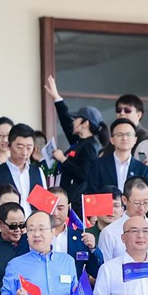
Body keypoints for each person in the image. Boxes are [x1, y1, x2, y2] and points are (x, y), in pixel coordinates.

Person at [45, 76, 105, 207]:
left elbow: (84, 173)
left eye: (76, 119)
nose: (73, 121)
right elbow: (66, 122)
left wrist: (63, 159)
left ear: (85, 123)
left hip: (76, 204)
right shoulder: (80, 141)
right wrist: (57, 98)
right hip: (67, 198)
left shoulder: (90, 146)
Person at [0, 123, 44, 222]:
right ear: (9, 145)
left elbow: (44, 208)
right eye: (20, 147)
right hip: (4, 232)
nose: (24, 152)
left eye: (29, 147)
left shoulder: (38, 172)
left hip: (33, 232)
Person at [97, 177, 148, 262]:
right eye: (136, 203)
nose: (141, 208)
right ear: (124, 200)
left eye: (146, 202)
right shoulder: (109, 232)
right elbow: (104, 268)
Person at [90, 118, 148, 193]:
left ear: (135, 140)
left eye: (128, 134)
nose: (124, 138)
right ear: (112, 140)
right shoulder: (98, 165)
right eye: (119, 135)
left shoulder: (143, 170)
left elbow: (147, 197)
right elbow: (92, 195)